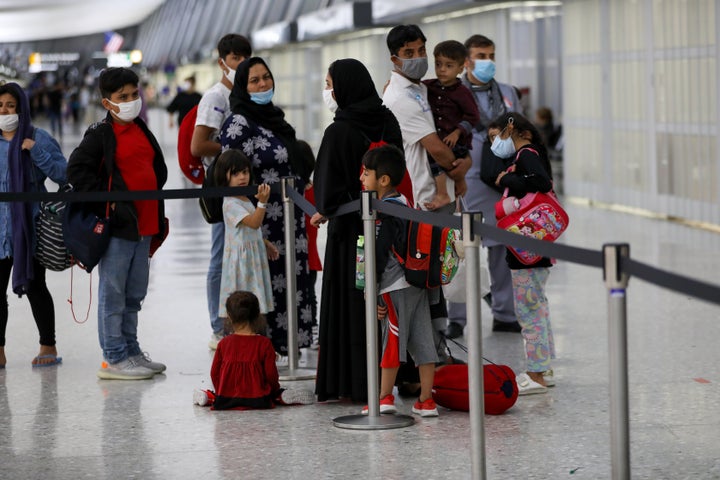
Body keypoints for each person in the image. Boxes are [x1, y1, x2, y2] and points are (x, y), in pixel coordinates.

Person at [311, 58, 403, 403]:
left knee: (352, 302)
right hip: (389, 227)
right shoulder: (386, 120)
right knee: (385, 301)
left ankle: (351, 380)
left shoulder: (339, 131)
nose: (328, 92)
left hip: (351, 233)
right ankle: (392, 379)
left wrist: (326, 208)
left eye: (330, 84)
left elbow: (327, 195)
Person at [67, 67, 168, 380]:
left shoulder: (140, 127)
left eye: (134, 94)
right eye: (122, 97)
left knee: (134, 293)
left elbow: (156, 168)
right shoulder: (100, 134)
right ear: (107, 102)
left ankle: (131, 350)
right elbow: (77, 171)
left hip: (145, 224)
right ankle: (114, 356)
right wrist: (107, 202)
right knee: (114, 293)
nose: (130, 101)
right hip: (119, 226)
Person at [382, 24, 471, 363]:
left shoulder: (420, 89)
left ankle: (436, 351)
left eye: (421, 50)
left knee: (434, 285)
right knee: (421, 285)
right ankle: (422, 359)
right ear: (394, 58)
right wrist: (459, 169)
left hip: (434, 198)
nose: (418, 58)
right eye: (409, 54)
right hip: (421, 202)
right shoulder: (400, 97)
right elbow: (436, 149)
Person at [219, 57, 313, 357]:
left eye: (266, 77)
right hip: (262, 220)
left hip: (290, 217)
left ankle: (291, 343)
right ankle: (265, 346)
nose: (263, 84)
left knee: (292, 278)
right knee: (267, 284)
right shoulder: (239, 122)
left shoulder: (274, 117)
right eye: (255, 81)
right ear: (243, 88)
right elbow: (232, 173)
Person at [445, 33, 523, 339]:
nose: (487, 62)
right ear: (466, 61)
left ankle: (504, 312)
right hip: (466, 179)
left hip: (502, 180)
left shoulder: (506, 93)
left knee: (502, 248)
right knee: (462, 249)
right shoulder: (452, 92)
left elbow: (520, 128)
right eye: (480, 56)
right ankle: (457, 317)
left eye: (491, 55)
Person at [359, 145, 439, 417]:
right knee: (423, 341)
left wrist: (374, 291)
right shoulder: (405, 202)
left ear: (383, 180)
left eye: (366, 173)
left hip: (394, 286)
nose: (362, 178)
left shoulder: (383, 211)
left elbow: (380, 253)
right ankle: (426, 401)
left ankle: (383, 398)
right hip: (417, 283)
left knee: (391, 340)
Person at [190, 34, 251, 350]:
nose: (240, 65)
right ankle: (218, 325)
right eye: (235, 59)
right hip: (221, 187)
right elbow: (198, 145)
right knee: (220, 256)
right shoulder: (216, 96)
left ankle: (243, 320)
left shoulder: (248, 94)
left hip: (244, 187)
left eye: (245, 58)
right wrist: (236, 151)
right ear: (222, 62)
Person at [0, 82, 67, 368]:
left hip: (31, 227)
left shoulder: (38, 136)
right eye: (0, 106)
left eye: (10, 106)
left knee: (37, 286)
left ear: (21, 109)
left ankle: (47, 345)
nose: (4, 111)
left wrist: (35, 151)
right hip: (0, 231)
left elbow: (63, 173)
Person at [490, 112, 556, 395]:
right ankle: (544, 368)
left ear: (515, 129)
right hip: (534, 245)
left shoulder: (526, 155)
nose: (495, 143)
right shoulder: (529, 155)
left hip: (526, 248)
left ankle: (536, 373)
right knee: (537, 307)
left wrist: (508, 179)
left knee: (529, 311)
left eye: (498, 136)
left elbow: (542, 183)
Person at [193, 291, 315, 410]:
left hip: (226, 399)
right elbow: (271, 375)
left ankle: (209, 396)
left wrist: (221, 390)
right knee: (272, 395)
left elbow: (214, 373)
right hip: (259, 399)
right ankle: (280, 396)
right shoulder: (264, 343)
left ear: (229, 317)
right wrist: (275, 389)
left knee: (217, 397)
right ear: (257, 315)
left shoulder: (224, 343)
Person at [214, 149, 277, 320]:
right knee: (242, 305)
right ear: (224, 175)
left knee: (254, 306)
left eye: (245, 172)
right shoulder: (230, 203)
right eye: (235, 173)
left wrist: (264, 242)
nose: (242, 177)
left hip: (251, 258)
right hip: (242, 263)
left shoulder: (245, 199)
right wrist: (262, 203)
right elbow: (254, 222)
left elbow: (248, 230)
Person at [422, 40, 480, 211]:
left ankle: (443, 194)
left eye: (448, 65)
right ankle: (456, 189)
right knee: (435, 157)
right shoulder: (429, 86)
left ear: (461, 68)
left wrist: (457, 132)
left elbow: (473, 117)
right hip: (441, 141)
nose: (442, 69)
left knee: (437, 157)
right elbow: (410, 87)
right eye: (438, 64)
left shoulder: (463, 93)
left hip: (457, 144)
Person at [296, 140, 322, 349]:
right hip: (311, 254)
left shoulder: (294, 192)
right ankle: (312, 329)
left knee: (303, 293)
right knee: (310, 293)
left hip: (300, 253)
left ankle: (308, 328)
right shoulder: (316, 190)